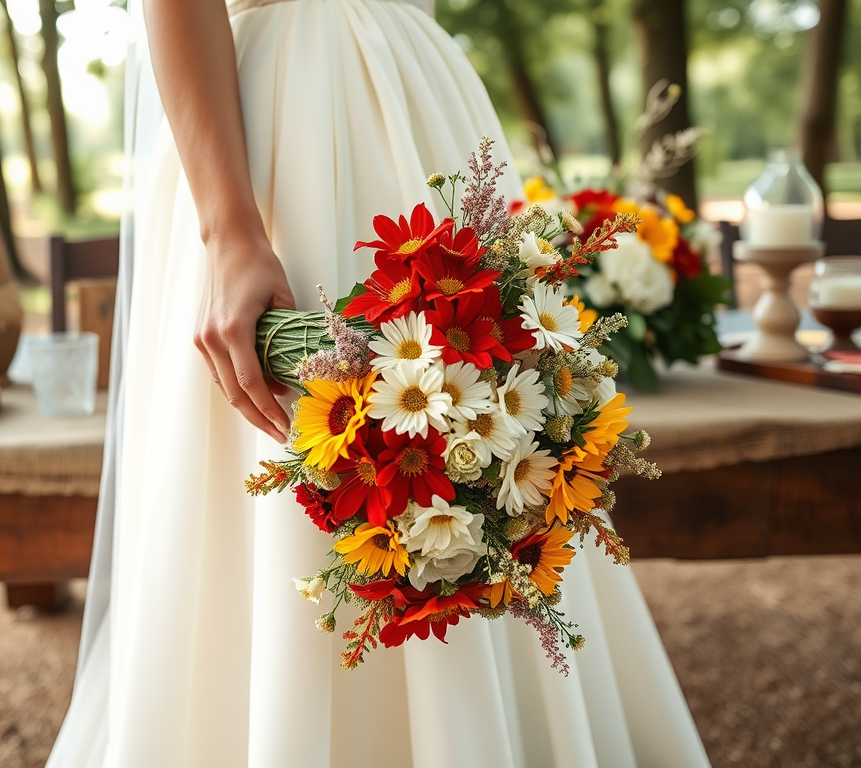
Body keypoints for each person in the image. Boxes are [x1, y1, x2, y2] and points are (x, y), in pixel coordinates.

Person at [47, 0, 713, 766]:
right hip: (276, 124)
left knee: (484, 424)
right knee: (298, 465)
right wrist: (228, 225)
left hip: (424, 100)